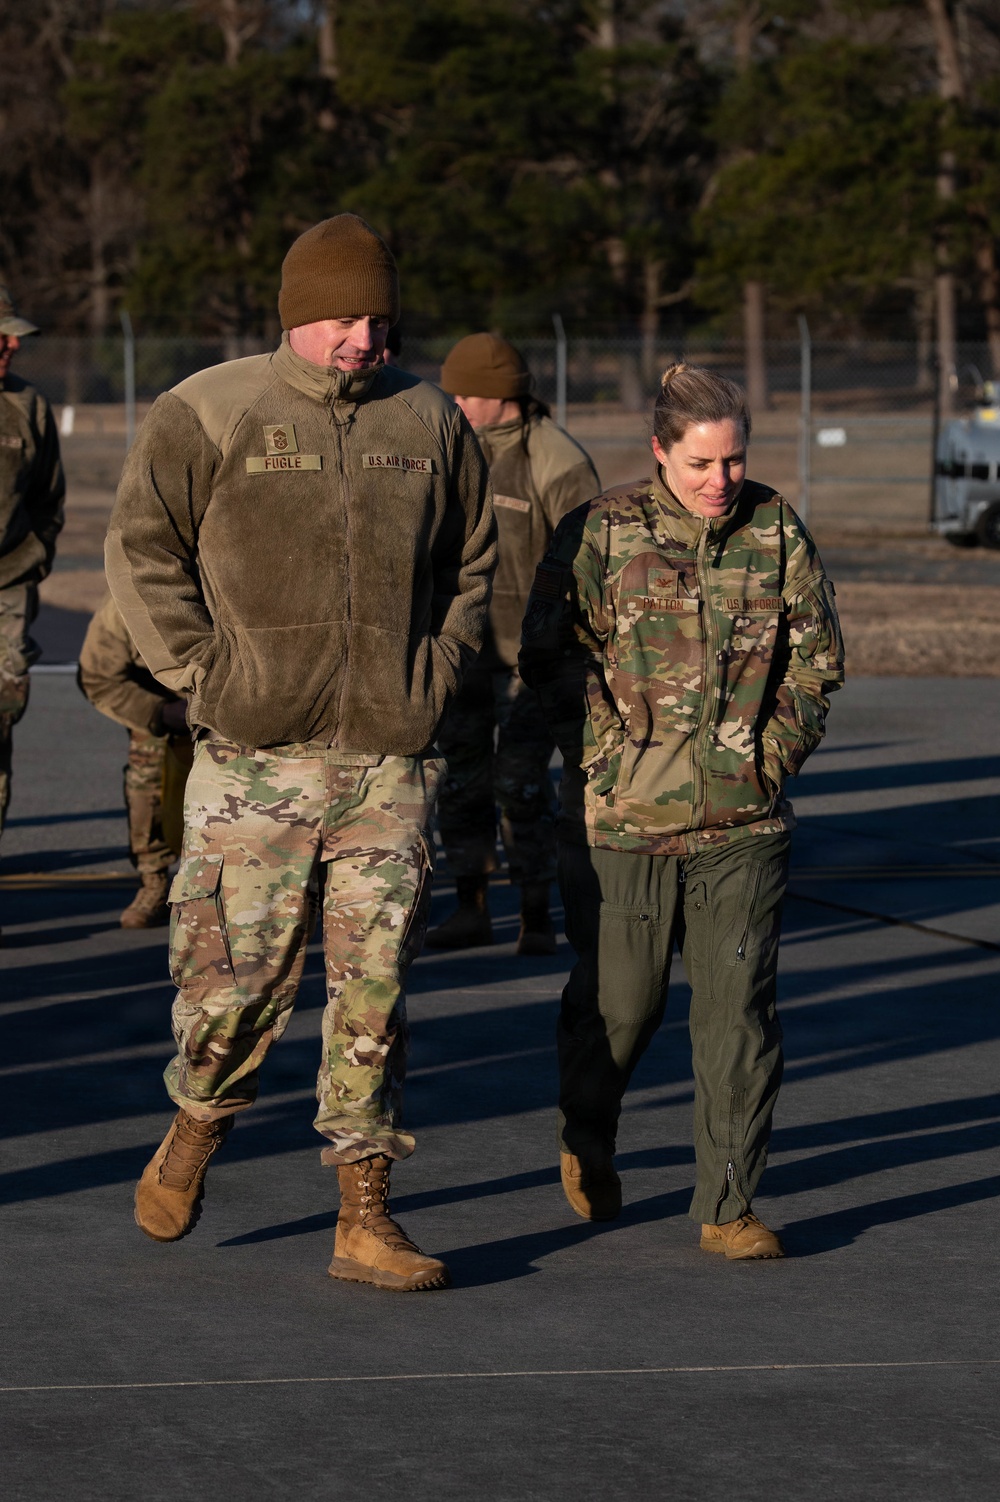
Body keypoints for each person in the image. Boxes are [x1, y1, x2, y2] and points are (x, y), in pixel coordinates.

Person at [107, 214, 496, 1291]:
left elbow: (471, 561)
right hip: (255, 757)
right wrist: (204, 672)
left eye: (380, 319)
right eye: (343, 319)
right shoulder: (209, 408)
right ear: (296, 317)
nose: (365, 339)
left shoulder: (427, 418)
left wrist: (437, 670)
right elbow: (141, 547)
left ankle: (365, 1214)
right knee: (232, 985)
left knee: (375, 989)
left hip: (387, 756)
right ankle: (197, 1119)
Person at [520, 363, 844, 1259]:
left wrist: (767, 759)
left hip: (743, 825)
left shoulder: (775, 529)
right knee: (624, 1006)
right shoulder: (602, 530)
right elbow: (548, 653)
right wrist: (604, 754)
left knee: (738, 1016)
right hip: (624, 822)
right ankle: (587, 1130)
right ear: (660, 451)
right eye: (701, 462)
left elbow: (816, 663)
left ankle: (728, 1205)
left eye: (733, 460)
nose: (720, 480)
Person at [427, 333, 598, 954]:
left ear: (501, 394)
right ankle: (470, 905)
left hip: (532, 659)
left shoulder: (554, 458)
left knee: (520, 782)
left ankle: (535, 914)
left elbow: (589, 562)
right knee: (460, 780)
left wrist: (567, 651)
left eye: (466, 393)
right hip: (462, 647)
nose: (456, 403)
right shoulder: (448, 444)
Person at [78, 593, 193, 928]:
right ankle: (153, 879)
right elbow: (98, 676)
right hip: (166, 703)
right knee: (147, 771)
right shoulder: (124, 603)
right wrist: (160, 713)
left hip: (237, 698)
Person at [0, 285, 65, 859]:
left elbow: (48, 500)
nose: (12, 345)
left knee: (2, 718)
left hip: (6, 592)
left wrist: (30, 560)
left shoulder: (27, 406)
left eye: (14, 336)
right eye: (1, 336)